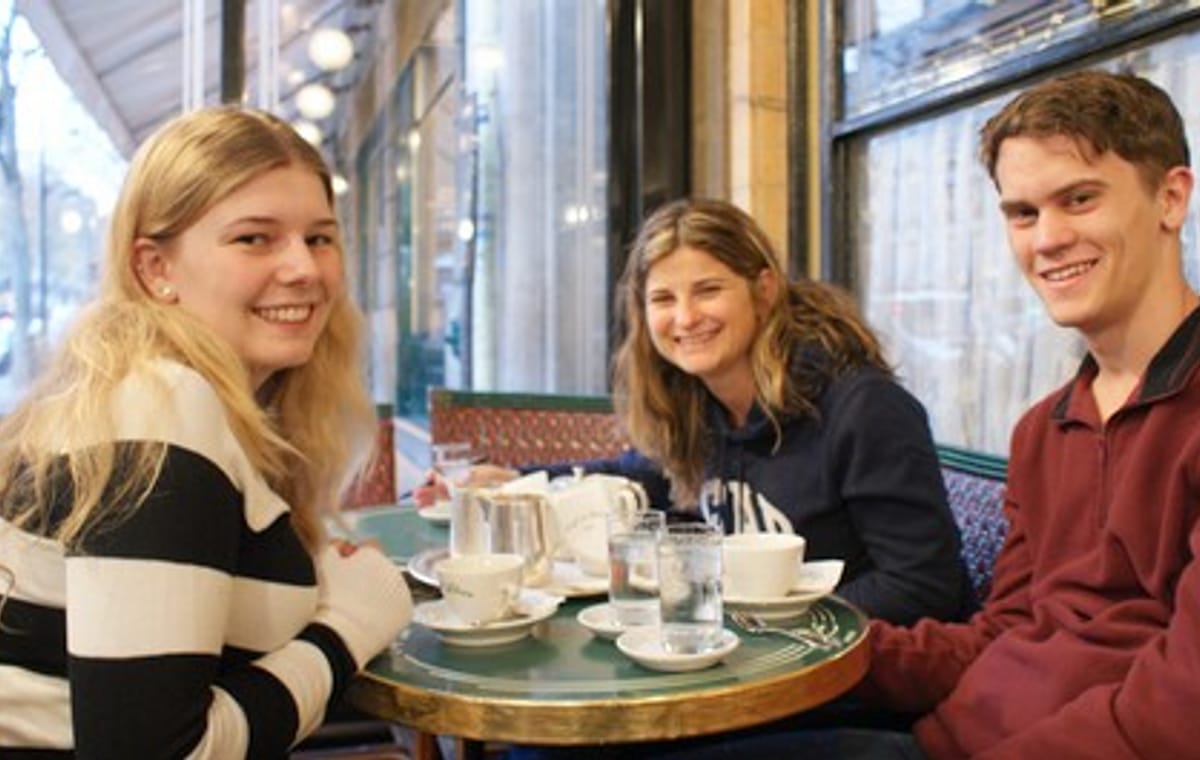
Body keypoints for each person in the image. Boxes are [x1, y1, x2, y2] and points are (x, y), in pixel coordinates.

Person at [664, 69, 1200, 760]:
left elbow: (1179, 715)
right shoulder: (1044, 429)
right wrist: (788, 630)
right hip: (944, 736)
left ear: (1171, 197)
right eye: (1023, 213)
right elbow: (999, 635)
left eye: (1080, 199)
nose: (1048, 240)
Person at [0, 106, 412, 758]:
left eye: (320, 238)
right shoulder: (158, 405)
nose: (304, 268)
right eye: (255, 238)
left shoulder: (189, 398)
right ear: (154, 268)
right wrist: (349, 627)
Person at [436, 197, 970, 626]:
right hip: (738, 672)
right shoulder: (699, 405)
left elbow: (925, 584)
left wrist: (760, 626)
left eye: (708, 290)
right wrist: (517, 481)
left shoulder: (863, 408)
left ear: (763, 289)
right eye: (663, 299)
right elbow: (642, 475)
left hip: (843, 692)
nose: (686, 317)